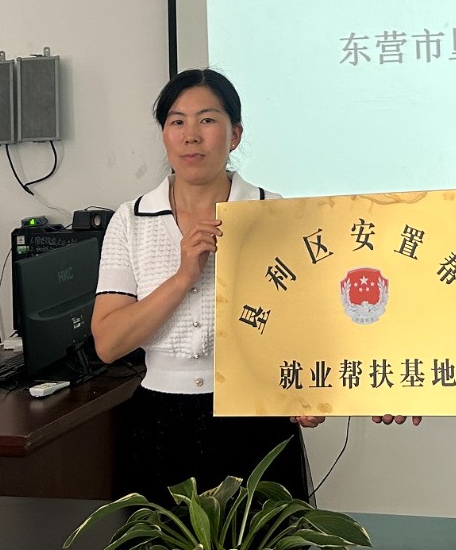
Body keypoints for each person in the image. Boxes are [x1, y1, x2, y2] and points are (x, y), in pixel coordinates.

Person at [92, 68, 313, 505]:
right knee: (162, 548)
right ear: (164, 135)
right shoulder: (131, 220)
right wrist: (183, 278)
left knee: (262, 548)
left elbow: (311, 325)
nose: (191, 135)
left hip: (256, 420)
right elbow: (109, 344)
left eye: (207, 120)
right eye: (177, 121)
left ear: (235, 135)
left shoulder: (275, 214)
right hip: (159, 423)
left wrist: (315, 391)